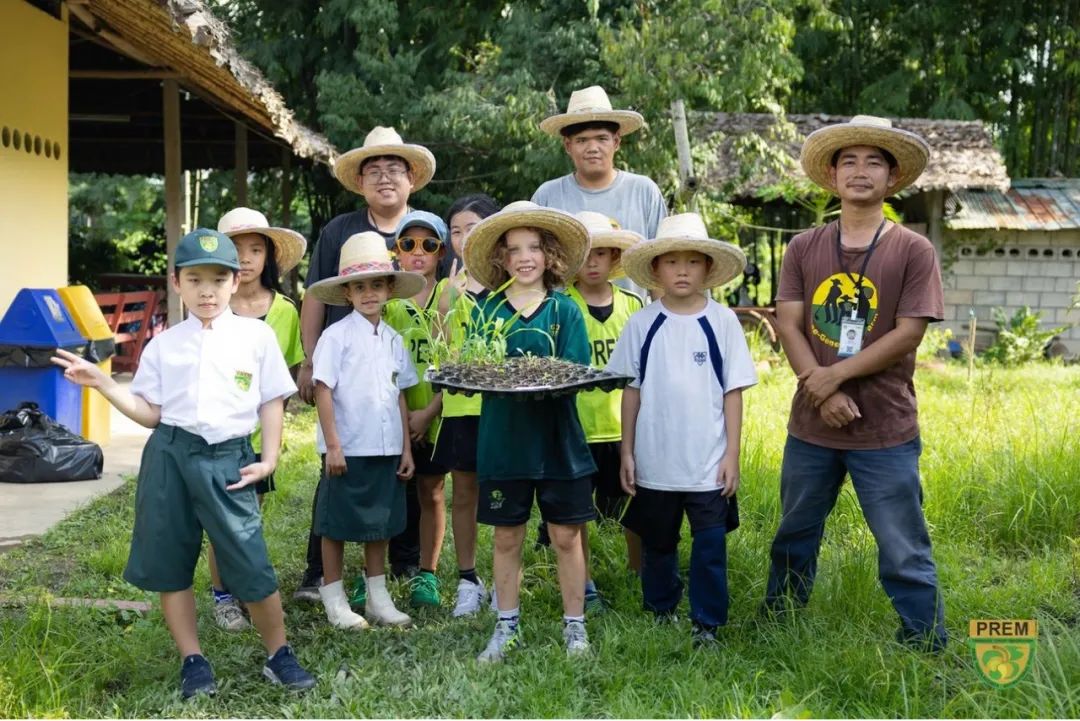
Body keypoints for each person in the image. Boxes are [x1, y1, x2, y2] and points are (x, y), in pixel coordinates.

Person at [51, 229, 315, 698]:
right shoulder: (164, 345)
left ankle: (279, 654)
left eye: (218, 279)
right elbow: (151, 413)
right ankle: (193, 660)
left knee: (250, 561)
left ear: (236, 282)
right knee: (172, 561)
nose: (207, 290)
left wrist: (269, 458)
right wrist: (104, 385)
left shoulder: (255, 337)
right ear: (177, 283)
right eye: (195, 279)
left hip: (228, 458)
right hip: (170, 457)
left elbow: (272, 400)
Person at [761, 115, 948, 652]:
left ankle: (925, 640)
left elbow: (908, 332)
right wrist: (820, 389)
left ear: (892, 179)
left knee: (902, 544)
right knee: (795, 533)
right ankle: (781, 627)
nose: (860, 171)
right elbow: (789, 324)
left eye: (874, 162)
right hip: (811, 426)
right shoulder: (803, 247)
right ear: (831, 173)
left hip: (884, 427)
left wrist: (832, 378)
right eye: (850, 161)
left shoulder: (913, 250)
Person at [295, 127, 436, 600]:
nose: (384, 178)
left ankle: (403, 567)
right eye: (373, 170)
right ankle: (320, 576)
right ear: (359, 181)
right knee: (336, 474)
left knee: (401, 473)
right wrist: (309, 360)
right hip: (343, 372)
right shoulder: (340, 231)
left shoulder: (426, 230)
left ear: (411, 178)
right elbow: (314, 298)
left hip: (405, 363)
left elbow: (445, 294)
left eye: (394, 168)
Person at [607, 213, 756, 646]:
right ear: (656, 269)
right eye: (673, 262)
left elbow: (733, 393)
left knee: (710, 546)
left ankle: (707, 621)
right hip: (655, 460)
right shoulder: (642, 323)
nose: (683, 271)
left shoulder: (723, 322)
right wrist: (627, 452)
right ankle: (660, 609)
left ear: (709, 268)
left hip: (708, 462)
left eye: (693, 262)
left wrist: (731, 455)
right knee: (658, 542)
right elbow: (630, 392)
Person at [462, 201, 596, 661]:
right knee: (506, 536)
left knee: (566, 536)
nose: (524, 257)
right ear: (500, 257)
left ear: (549, 255)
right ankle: (506, 625)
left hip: (559, 442)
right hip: (504, 442)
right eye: (514, 249)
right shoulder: (488, 310)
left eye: (534, 248)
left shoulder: (566, 309)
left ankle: (575, 626)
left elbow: (577, 371)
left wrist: (547, 379)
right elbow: (476, 368)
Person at [305, 231, 426, 629]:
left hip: (387, 446)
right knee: (335, 522)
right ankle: (335, 598)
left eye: (377, 284)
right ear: (347, 293)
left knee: (382, 522)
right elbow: (323, 390)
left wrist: (406, 449)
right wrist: (334, 446)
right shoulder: (335, 337)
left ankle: (377, 596)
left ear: (389, 288)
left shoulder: (393, 339)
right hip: (349, 447)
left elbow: (399, 396)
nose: (369, 293)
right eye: (360, 286)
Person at [201, 206, 306, 631]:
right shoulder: (210, 309)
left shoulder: (285, 311)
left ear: (269, 257)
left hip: (260, 435)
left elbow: (287, 378)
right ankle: (222, 596)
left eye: (255, 249)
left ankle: (245, 588)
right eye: (236, 249)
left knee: (249, 516)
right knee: (219, 517)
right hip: (217, 435)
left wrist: (273, 438)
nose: (245, 259)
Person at [562, 211, 644, 609]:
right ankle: (586, 582)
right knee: (579, 515)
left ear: (615, 258)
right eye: (585, 253)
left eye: (602, 253)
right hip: (578, 429)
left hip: (624, 429)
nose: (593, 262)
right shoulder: (562, 305)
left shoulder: (633, 305)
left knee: (636, 507)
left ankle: (638, 571)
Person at [432, 194, 502, 617]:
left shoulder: (511, 282)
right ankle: (468, 579)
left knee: (504, 495)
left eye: (472, 227)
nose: (462, 237)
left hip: (501, 407)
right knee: (464, 493)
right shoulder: (447, 287)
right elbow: (440, 351)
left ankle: (503, 577)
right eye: (455, 230)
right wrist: (447, 302)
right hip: (461, 407)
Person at [532, 85, 667, 296]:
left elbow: (660, 266)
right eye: (582, 140)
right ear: (568, 146)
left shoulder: (643, 191)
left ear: (616, 142)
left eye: (601, 138)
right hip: (563, 322)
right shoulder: (547, 196)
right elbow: (534, 268)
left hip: (631, 322)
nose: (592, 148)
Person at [382, 210, 452, 609]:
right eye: (408, 244)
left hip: (437, 414)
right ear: (397, 252)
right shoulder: (388, 298)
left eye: (429, 244)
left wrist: (428, 414)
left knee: (433, 491)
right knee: (389, 491)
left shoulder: (451, 297)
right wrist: (405, 416)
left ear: (441, 252)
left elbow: (459, 362)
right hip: (393, 416)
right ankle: (376, 569)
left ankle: (427, 572)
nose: (418, 252)